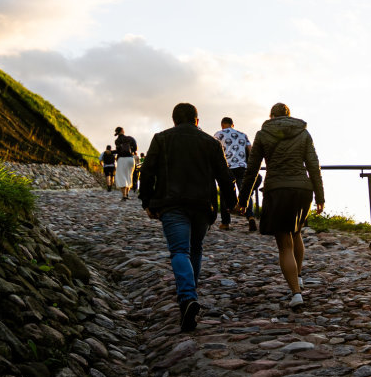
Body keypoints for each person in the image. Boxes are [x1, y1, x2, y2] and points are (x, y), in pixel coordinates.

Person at [139, 103, 236, 332]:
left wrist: (147, 201)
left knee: (179, 251)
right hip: (203, 205)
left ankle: (187, 298)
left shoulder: (161, 139)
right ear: (197, 120)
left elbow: (147, 172)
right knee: (195, 249)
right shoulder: (211, 143)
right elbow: (224, 176)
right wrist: (232, 204)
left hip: (172, 204)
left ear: (174, 120)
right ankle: (190, 294)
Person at [234, 103, 324, 310]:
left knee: (284, 244)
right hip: (302, 190)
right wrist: (320, 196)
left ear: (271, 116)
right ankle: (298, 276)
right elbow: (313, 165)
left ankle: (296, 293)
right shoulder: (303, 133)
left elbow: (252, 169)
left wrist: (244, 199)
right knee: (297, 231)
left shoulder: (263, 134)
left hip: (277, 189)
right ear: (289, 116)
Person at [214, 117, 257, 232]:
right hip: (242, 168)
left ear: (222, 125)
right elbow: (250, 150)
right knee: (245, 193)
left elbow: (213, 150)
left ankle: (225, 223)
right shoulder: (243, 135)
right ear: (233, 125)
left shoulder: (218, 134)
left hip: (226, 169)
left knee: (225, 194)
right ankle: (251, 216)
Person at [114, 126, 138, 201]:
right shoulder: (130, 138)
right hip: (130, 159)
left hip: (121, 159)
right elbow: (135, 148)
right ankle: (127, 194)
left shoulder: (117, 140)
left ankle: (124, 195)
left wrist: (110, 152)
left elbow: (118, 151)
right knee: (129, 176)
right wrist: (131, 151)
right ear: (122, 131)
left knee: (122, 176)